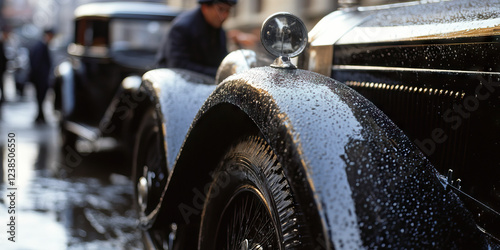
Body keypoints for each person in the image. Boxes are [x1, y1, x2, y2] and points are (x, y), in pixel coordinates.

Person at [156, 0, 237, 77]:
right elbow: (178, 65)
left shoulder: (219, 31)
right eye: (221, 9)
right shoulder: (183, 27)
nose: (225, 15)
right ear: (205, 8)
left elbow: (221, 60)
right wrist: (217, 72)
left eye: (228, 10)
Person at [29, 28, 54, 124]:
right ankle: (40, 116)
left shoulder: (41, 45)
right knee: (40, 98)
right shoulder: (41, 46)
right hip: (40, 79)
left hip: (40, 78)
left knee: (41, 98)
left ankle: (40, 115)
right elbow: (37, 64)